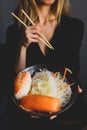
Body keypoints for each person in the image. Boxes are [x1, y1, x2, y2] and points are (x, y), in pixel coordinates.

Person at [6, 0, 86, 130]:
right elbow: (17, 84)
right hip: (29, 112)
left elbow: (72, 71)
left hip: (68, 110)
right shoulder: (15, 30)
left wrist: (71, 89)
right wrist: (23, 46)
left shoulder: (74, 26)